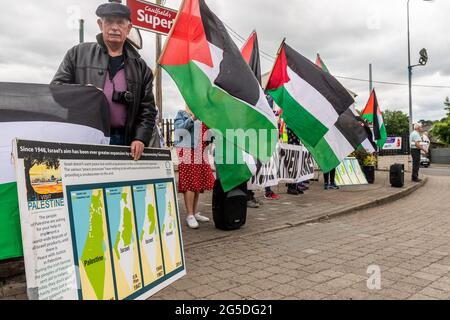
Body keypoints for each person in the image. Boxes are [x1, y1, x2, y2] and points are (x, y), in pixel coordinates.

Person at [51, 2, 157, 160]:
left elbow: (147, 110)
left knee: (120, 184)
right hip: (85, 138)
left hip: (125, 142)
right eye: (109, 21)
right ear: (100, 25)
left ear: (128, 28)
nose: (115, 27)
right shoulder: (77, 54)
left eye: (120, 23)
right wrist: (83, 92)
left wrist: (140, 138)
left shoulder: (141, 68)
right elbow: (56, 90)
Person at [174, 107, 215, 229]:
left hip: (200, 152)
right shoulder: (182, 113)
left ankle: (194, 212)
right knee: (190, 183)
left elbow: (209, 136)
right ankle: (189, 215)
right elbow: (179, 131)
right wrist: (193, 118)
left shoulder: (202, 113)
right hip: (187, 151)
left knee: (197, 183)